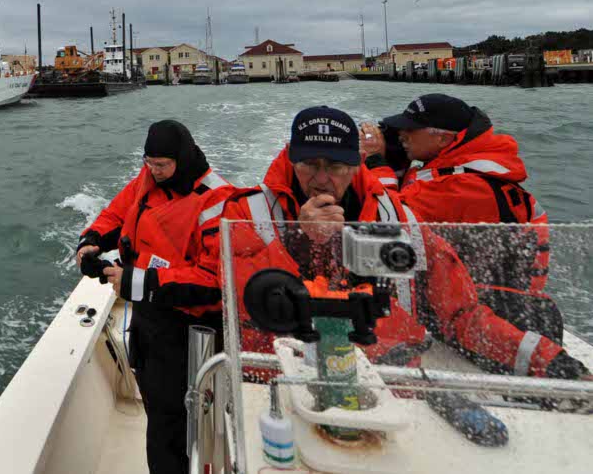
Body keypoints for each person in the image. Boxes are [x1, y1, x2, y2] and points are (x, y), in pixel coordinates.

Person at [215, 106, 589, 381]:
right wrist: (301, 239)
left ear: (357, 165)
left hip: (387, 375)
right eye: (309, 164)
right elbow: (243, 299)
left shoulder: (399, 220)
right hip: (277, 372)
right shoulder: (247, 211)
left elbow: (460, 313)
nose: (322, 179)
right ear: (291, 160)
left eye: (337, 167)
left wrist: (552, 363)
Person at [75, 120, 235, 474]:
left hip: (189, 331)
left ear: (182, 158)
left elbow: (215, 280)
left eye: (161, 165)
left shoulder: (217, 200)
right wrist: (91, 241)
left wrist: (140, 281)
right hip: (148, 322)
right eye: (149, 164)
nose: (154, 172)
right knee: (159, 412)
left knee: (173, 422)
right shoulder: (147, 180)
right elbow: (116, 214)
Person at [360, 94, 555, 339]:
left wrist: (377, 162)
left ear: (442, 138)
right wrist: (397, 158)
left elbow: (388, 218)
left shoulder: (463, 187)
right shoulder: (458, 169)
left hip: (482, 312)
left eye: (410, 130)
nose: (402, 135)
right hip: (474, 289)